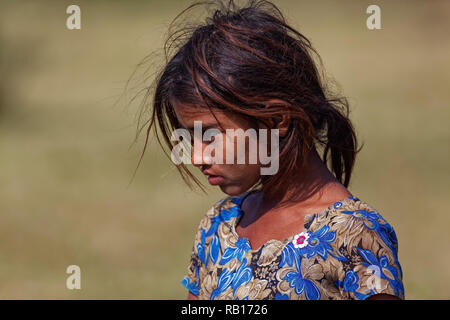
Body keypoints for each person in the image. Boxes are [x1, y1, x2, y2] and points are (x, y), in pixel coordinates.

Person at [134, 0, 404, 300]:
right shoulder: (221, 225)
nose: (196, 156)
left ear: (277, 121)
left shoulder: (355, 235)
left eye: (209, 135)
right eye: (189, 138)